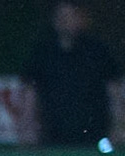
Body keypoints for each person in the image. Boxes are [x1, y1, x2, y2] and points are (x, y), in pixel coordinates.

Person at [25, 3, 121, 146]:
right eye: (61, 16)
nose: (64, 21)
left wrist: (119, 125)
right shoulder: (43, 52)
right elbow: (30, 93)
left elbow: (114, 91)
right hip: (53, 134)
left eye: (69, 16)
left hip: (96, 134)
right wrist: (27, 128)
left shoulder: (97, 51)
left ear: (80, 18)